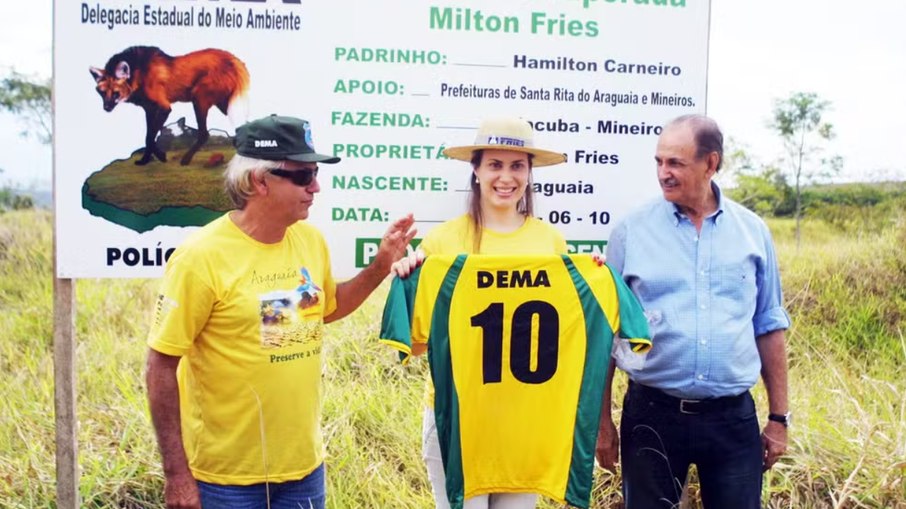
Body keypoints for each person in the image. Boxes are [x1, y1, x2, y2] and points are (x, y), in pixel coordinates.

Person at [145, 114, 416, 509]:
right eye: (303, 176)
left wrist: (379, 267)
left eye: (316, 173)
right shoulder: (200, 258)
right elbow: (160, 366)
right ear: (259, 180)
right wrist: (177, 476)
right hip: (225, 481)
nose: (316, 187)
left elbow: (327, 308)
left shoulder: (309, 241)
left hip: (303, 472)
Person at [595, 114, 791, 508]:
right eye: (659, 162)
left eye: (676, 163)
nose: (663, 173)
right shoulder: (630, 232)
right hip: (652, 414)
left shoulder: (753, 232)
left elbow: (769, 325)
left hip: (732, 420)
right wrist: (602, 423)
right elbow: (605, 332)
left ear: (711, 163)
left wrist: (779, 418)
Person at [392, 116, 568, 509]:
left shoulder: (551, 242)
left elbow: (572, 330)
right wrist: (407, 283)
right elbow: (418, 347)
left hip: (524, 416)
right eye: (494, 165)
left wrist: (595, 274)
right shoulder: (443, 241)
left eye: (517, 165)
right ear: (475, 170)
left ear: (529, 172)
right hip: (457, 417)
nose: (506, 177)